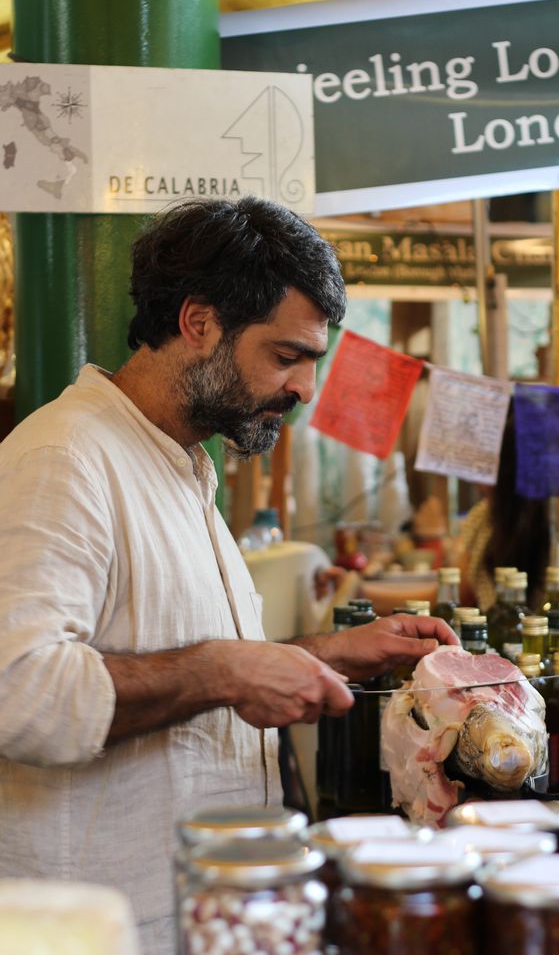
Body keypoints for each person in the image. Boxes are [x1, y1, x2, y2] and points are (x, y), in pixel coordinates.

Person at [0, 197, 456, 954]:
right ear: (198, 322)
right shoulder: (66, 457)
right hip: (104, 925)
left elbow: (165, 652)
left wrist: (319, 654)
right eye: (285, 357)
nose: (304, 390)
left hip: (200, 909)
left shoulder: (181, 464)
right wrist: (223, 669)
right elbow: (18, 691)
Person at [457, 402, 551, 612]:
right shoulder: (483, 517)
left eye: (482, 460)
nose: (473, 472)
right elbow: (458, 593)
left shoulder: (551, 526)